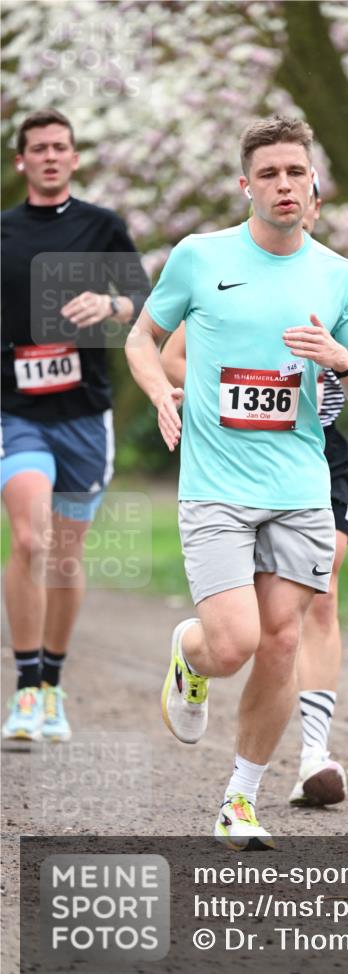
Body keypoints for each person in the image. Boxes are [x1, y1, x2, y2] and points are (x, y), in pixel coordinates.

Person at [124, 115, 348, 849]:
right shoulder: (199, 257)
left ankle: (239, 800)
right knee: (233, 643)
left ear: (312, 187)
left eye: (294, 172)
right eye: (268, 173)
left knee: (280, 643)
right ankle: (192, 651)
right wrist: (159, 392)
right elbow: (141, 337)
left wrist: (338, 358)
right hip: (214, 484)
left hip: (301, 487)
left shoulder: (339, 277)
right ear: (246, 185)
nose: (282, 184)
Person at [1, 108, 150, 742]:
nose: (51, 156)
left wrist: (110, 302)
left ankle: (53, 687)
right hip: (17, 411)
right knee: (31, 541)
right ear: (22, 161)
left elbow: (147, 301)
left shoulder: (102, 226)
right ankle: (25, 689)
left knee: (63, 556)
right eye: (39, 148)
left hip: (86, 414)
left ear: (75, 157)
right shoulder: (3, 232)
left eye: (61, 147)